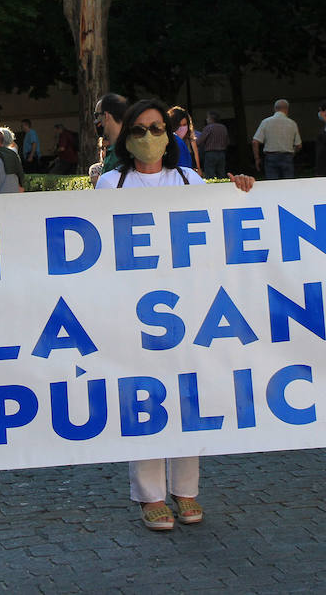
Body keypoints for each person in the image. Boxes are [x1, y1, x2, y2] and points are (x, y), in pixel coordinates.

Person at [95, 99, 255, 531]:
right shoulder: (111, 183)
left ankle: (186, 491)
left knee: (189, 397)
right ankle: (150, 497)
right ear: (126, 139)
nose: (149, 138)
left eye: (156, 128)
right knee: (144, 397)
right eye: (139, 131)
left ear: (170, 134)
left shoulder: (188, 177)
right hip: (134, 309)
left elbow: (220, 221)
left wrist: (238, 186)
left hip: (188, 308)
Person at [252, 99, 301, 179]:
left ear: (275, 109)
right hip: (287, 157)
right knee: (288, 184)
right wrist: (292, 153)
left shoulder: (266, 122)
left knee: (272, 185)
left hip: (271, 157)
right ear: (287, 109)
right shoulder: (292, 123)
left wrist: (257, 158)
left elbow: (255, 142)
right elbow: (299, 145)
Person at [95, 93, 128, 174]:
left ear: (106, 115)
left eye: (96, 115)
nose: (96, 121)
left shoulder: (120, 153)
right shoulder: (129, 146)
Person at [168, 106, 203, 177]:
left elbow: (196, 162)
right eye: (178, 125)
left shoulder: (191, 141)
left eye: (184, 125)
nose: (182, 128)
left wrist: (197, 170)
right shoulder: (168, 141)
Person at [195, 112, 229, 181]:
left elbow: (200, 141)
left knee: (210, 174)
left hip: (210, 153)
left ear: (211, 119)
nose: (206, 119)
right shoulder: (223, 127)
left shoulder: (208, 128)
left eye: (207, 118)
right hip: (222, 153)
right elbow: (227, 141)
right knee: (221, 174)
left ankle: (211, 189)